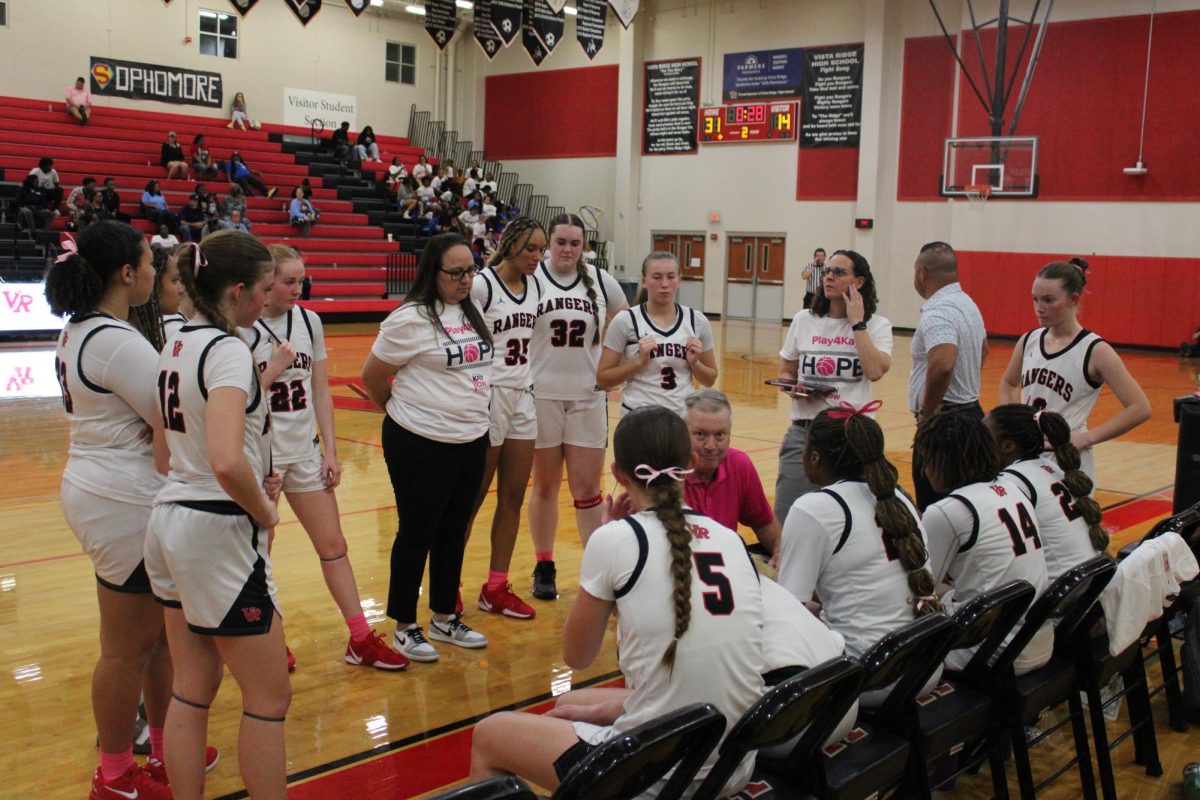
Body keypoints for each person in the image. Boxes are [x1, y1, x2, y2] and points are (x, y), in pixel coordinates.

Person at [469, 407, 765, 797]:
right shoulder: (731, 538)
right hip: (734, 764)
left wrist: (608, 546)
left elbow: (577, 656)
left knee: (489, 735)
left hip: (660, 775)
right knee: (572, 701)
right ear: (690, 463)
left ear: (618, 474)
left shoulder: (616, 540)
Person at [144, 231, 290, 800]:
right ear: (236, 291)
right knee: (270, 699)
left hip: (170, 520)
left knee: (192, 688)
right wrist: (266, 510)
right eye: (261, 289)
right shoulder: (229, 350)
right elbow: (227, 460)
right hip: (217, 527)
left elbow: (163, 453)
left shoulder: (174, 343)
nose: (266, 299)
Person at [45, 222, 174, 800]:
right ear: (127, 273)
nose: (154, 272)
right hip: (121, 498)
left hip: (105, 486)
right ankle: (116, 774)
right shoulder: (117, 340)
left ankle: (169, 751)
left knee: (160, 639)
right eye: (149, 263)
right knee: (126, 649)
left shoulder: (84, 331)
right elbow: (174, 419)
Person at [246, 245, 408, 670]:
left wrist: (331, 450)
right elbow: (237, 400)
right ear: (266, 282)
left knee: (334, 545)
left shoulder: (309, 321)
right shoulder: (240, 327)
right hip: (261, 457)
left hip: (304, 451)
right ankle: (268, 638)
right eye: (289, 281)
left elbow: (320, 389)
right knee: (260, 550)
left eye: (302, 279)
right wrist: (272, 370)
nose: (299, 288)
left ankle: (359, 637)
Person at [361, 233, 494, 662]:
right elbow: (373, 377)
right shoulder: (411, 319)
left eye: (470, 271)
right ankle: (404, 625)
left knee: (454, 530)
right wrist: (403, 413)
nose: (465, 280)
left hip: (470, 436)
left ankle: (444, 615)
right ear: (432, 273)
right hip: (419, 440)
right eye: (455, 273)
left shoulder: (472, 311)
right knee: (417, 531)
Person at [777, 405, 943, 690]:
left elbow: (789, 611)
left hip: (869, 676)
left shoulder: (815, 508)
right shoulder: (898, 497)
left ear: (814, 457)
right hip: (926, 663)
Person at [526, 213, 628, 600]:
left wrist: (607, 351)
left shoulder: (602, 282)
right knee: (546, 486)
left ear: (585, 245)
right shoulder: (533, 279)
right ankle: (544, 564)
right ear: (549, 243)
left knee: (587, 489)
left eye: (574, 242)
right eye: (561, 242)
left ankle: (598, 569)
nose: (567, 249)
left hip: (587, 397)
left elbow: (622, 317)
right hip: (541, 397)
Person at [914, 410, 1052, 674]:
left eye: (927, 458)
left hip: (989, 650)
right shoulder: (1013, 488)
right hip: (1035, 638)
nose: (923, 469)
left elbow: (919, 590)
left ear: (946, 460)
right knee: (948, 594)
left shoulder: (949, 511)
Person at [996, 259, 1151, 484]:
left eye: (1048, 300)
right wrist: (1010, 421)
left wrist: (1087, 438)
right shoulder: (1029, 340)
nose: (1039, 307)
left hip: (1066, 462)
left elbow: (1140, 408)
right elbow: (1008, 383)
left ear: (1073, 299)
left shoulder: (1095, 350)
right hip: (1027, 457)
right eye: (1035, 299)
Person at [465, 218, 546, 620]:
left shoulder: (538, 286)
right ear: (510, 244)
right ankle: (449, 586)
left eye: (541, 249)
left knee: (512, 497)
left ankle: (496, 585)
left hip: (522, 396)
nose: (537, 256)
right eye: (531, 248)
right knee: (472, 498)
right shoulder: (481, 285)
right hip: (488, 396)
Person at [774, 249, 892, 524]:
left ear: (858, 282)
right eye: (828, 271)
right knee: (788, 516)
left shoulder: (877, 325)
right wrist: (792, 386)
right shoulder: (804, 319)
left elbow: (875, 371)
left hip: (852, 436)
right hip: (806, 432)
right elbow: (786, 369)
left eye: (839, 272)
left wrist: (857, 323)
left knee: (854, 519)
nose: (829, 277)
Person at [908, 241, 988, 511]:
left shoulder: (939, 311)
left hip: (945, 426)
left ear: (922, 273)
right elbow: (983, 349)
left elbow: (943, 364)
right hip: (971, 414)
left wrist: (928, 414)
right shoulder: (968, 303)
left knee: (937, 510)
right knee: (970, 507)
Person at [987, 404, 1107, 582]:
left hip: (1062, 592)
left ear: (1008, 446)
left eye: (984, 436)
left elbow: (1004, 558)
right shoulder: (1049, 467)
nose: (977, 442)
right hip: (1087, 580)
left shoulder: (1012, 482)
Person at [596, 251, 717, 415]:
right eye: (657, 277)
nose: (665, 284)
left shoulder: (697, 321)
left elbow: (710, 379)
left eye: (671, 277)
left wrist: (695, 364)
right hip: (637, 416)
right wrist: (638, 362)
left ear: (679, 280)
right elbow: (603, 379)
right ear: (644, 281)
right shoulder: (625, 320)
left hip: (681, 418)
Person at [682, 389, 781, 557]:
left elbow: (764, 523)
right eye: (700, 434)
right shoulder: (666, 472)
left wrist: (781, 556)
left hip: (725, 568)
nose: (711, 445)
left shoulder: (739, 464)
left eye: (720, 435)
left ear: (730, 434)